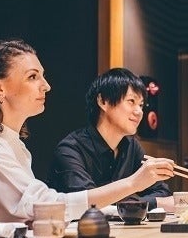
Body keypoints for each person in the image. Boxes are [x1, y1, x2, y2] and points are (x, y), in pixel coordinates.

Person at [0, 39, 174, 237]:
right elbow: (43, 206)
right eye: (33, 77)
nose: (46, 86)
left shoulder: (13, 143)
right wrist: (133, 183)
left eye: (43, 76)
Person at [46, 68, 171, 210]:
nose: (139, 112)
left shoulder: (131, 146)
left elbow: (162, 192)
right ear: (103, 101)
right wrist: (135, 195)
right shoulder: (70, 150)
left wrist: (132, 203)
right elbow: (86, 205)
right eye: (131, 101)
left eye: (141, 105)